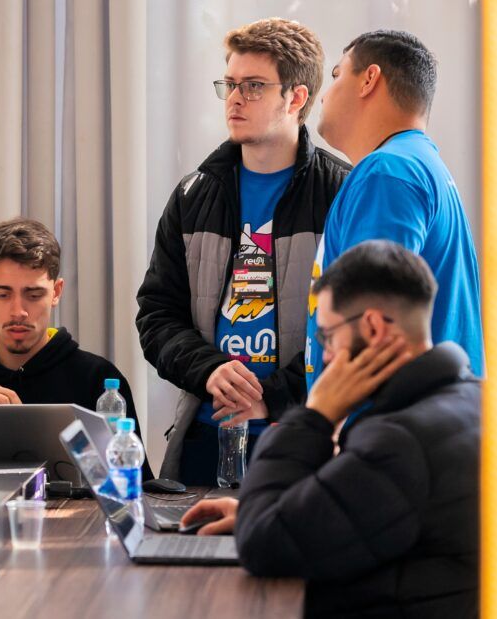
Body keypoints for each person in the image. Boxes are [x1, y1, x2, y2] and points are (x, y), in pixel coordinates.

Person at [181, 240, 480, 617]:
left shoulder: (400, 443)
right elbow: (357, 519)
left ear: (372, 326)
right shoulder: (474, 402)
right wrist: (265, 513)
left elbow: (263, 546)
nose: (325, 355)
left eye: (327, 336)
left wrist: (315, 416)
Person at [135, 18, 350, 484]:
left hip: (303, 439)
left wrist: (272, 397)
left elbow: (357, 330)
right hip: (205, 437)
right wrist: (209, 370)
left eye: (253, 86)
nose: (234, 98)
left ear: (296, 97)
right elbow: (156, 315)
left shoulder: (343, 193)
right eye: (230, 84)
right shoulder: (193, 195)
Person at [305, 29, 484, 388]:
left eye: (337, 75)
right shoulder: (418, 164)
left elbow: (370, 327)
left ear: (369, 79)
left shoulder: (388, 173)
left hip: (391, 417)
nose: (324, 95)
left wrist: (331, 416)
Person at [0, 217, 142, 424]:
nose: (18, 312)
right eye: (2, 295)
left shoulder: (98, 382)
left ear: (56, 292)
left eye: (34, 295)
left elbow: (130, 459)